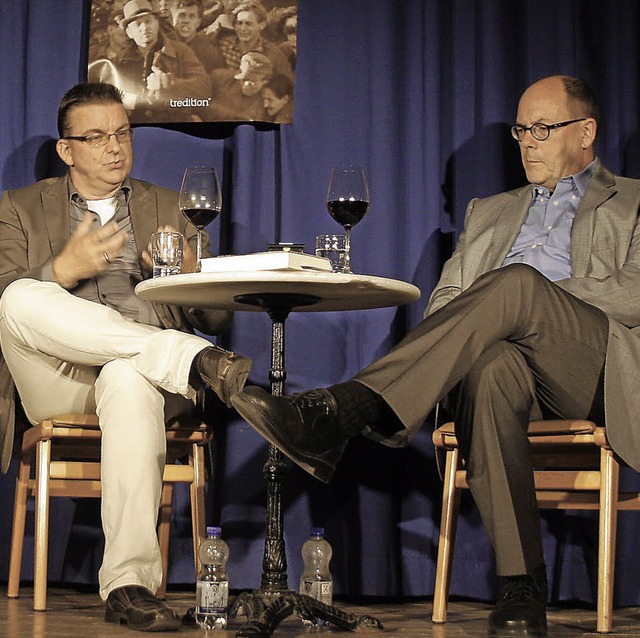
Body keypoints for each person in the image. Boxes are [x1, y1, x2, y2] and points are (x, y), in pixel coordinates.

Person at [230, 75, 640, 637]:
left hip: (590, 365)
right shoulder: (490, 211)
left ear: (586, 132)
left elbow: (635, 294)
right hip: (511, 371)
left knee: (516, 285)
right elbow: (445, 304)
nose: (527, 142)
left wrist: (533, 300)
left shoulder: (634, 201)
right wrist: (508, 309)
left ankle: (348, 409)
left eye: (542, 129)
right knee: (492, 369)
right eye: (521, 130)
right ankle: (523, 585)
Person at [0, 81, 252, 631]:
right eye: (97, 137)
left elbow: (218, 319)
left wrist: (193, 280)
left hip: (141, 379)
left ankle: (129, 585)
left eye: (122, 133)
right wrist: (59, 273)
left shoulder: (167, 204)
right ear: (67, 149)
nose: (115, 147)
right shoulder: (19, 207)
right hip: (55, 374)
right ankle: (189, 359)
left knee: (125, 377)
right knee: (17, 297)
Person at [89, 0, 211, 123]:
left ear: (157, 23)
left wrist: (169, 83)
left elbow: (204, 88)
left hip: (176, 122)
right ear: (129, 32)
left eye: (148, 21)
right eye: (138, 24)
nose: (145, 28)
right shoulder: (118, 63)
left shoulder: (181, 51)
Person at [212, 1, 292, 79]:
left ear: (261, 25)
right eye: (239, 23)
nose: (242, 28)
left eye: (248, 24)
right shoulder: (223, 45)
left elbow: (286, 81)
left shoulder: (273, 53)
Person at [210, 50, 272, 120]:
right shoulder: (220, 77)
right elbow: (201, 102)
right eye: (243, 79)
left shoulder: (266, 100)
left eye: (251, 81)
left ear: (265, 81)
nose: (245, 84)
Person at [170, 0, 225, 72]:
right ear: (171, 20)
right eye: (182, 15)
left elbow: (220, 77)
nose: (186, 21)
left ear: (198, 23)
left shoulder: (208, 48)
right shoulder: (161, 43)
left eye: (192, 16)